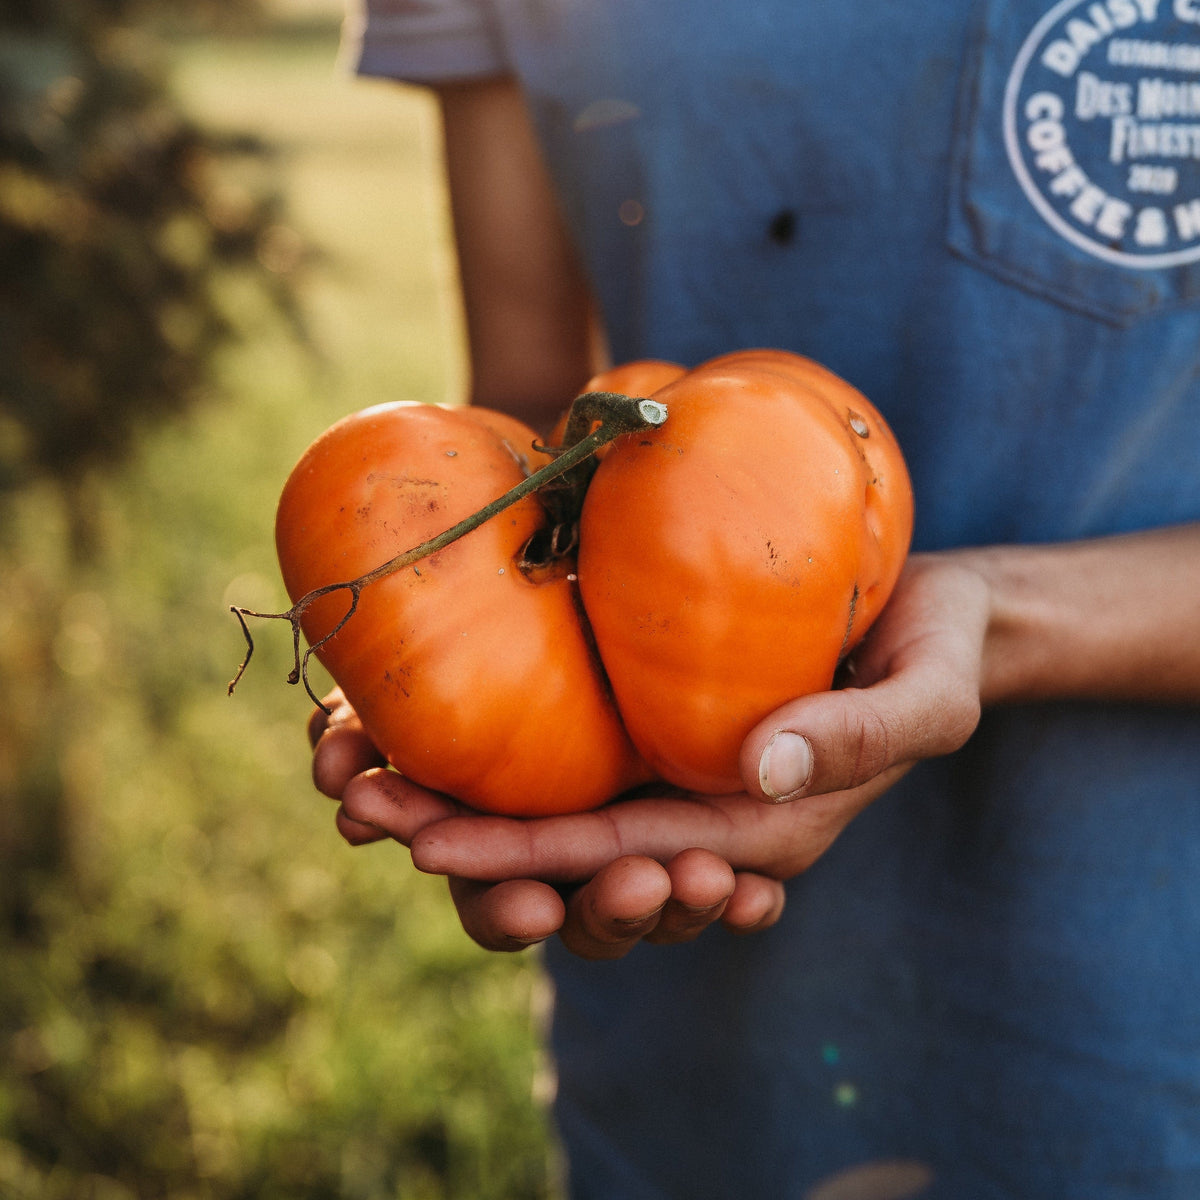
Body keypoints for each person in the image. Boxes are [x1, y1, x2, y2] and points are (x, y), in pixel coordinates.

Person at [310, 2, 1200, 1196]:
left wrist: (1000, 619)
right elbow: (529, 408)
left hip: (1142, 986)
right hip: (699, 1029)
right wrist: (480, 716)